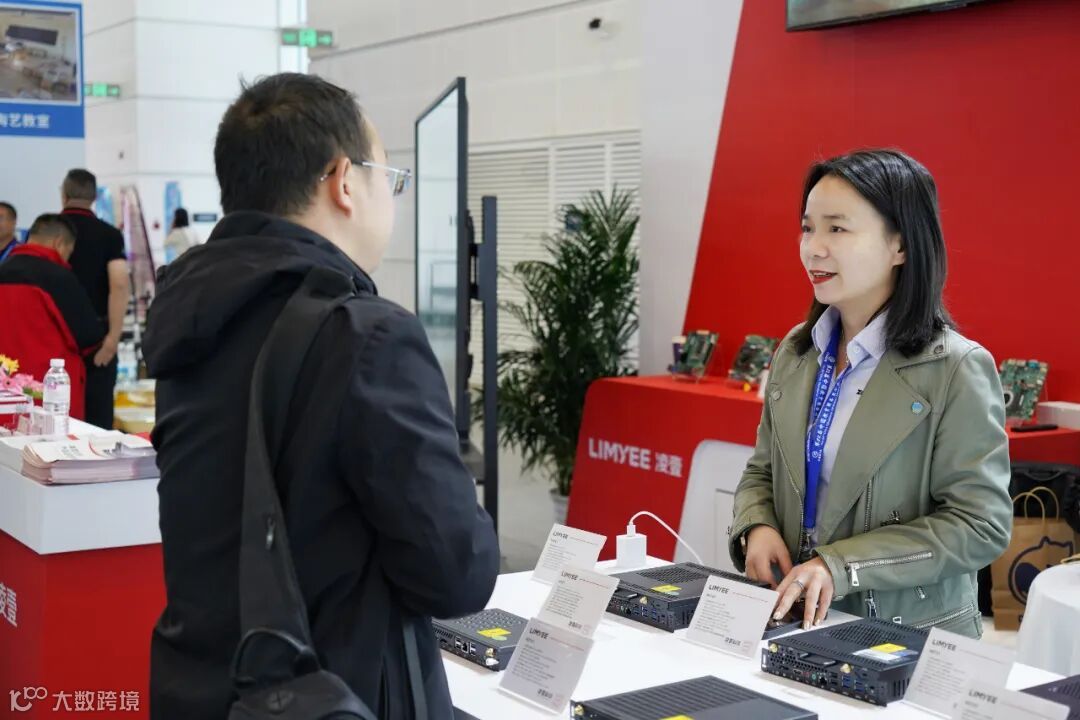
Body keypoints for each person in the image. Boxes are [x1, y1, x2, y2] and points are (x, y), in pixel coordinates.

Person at [142, 73, 499, 719]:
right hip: (331, 695)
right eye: (389, 180)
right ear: (343, 180)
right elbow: (456, 574)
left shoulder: (190, 313)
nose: (391, 200)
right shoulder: (365, 335)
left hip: (200, 684)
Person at [729, 149, 1012, 639]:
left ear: (900, 245)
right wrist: (756, 526)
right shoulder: (798, 350)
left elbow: (979, 525)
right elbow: (762, 471)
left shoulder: (956, 368)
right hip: (794, 619)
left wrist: (841, 565)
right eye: (807, 228)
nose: (813, 248)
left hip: (905, 637)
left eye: (837, 229)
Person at [0, 214, 104, 419]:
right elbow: (88, 336)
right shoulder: (58, 278)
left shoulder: (3, 270)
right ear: (59, 243)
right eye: (69, 252)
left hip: (6, 390)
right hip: (49, 394)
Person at [61, 169, 130, 429]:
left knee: (53, 419)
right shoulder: (109, 235)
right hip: (98, 341)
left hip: (57, 339)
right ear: (94, 197)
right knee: (97, 424)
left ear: (64, 194)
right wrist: (112, 339)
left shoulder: (48, 231)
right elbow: (120, 283)